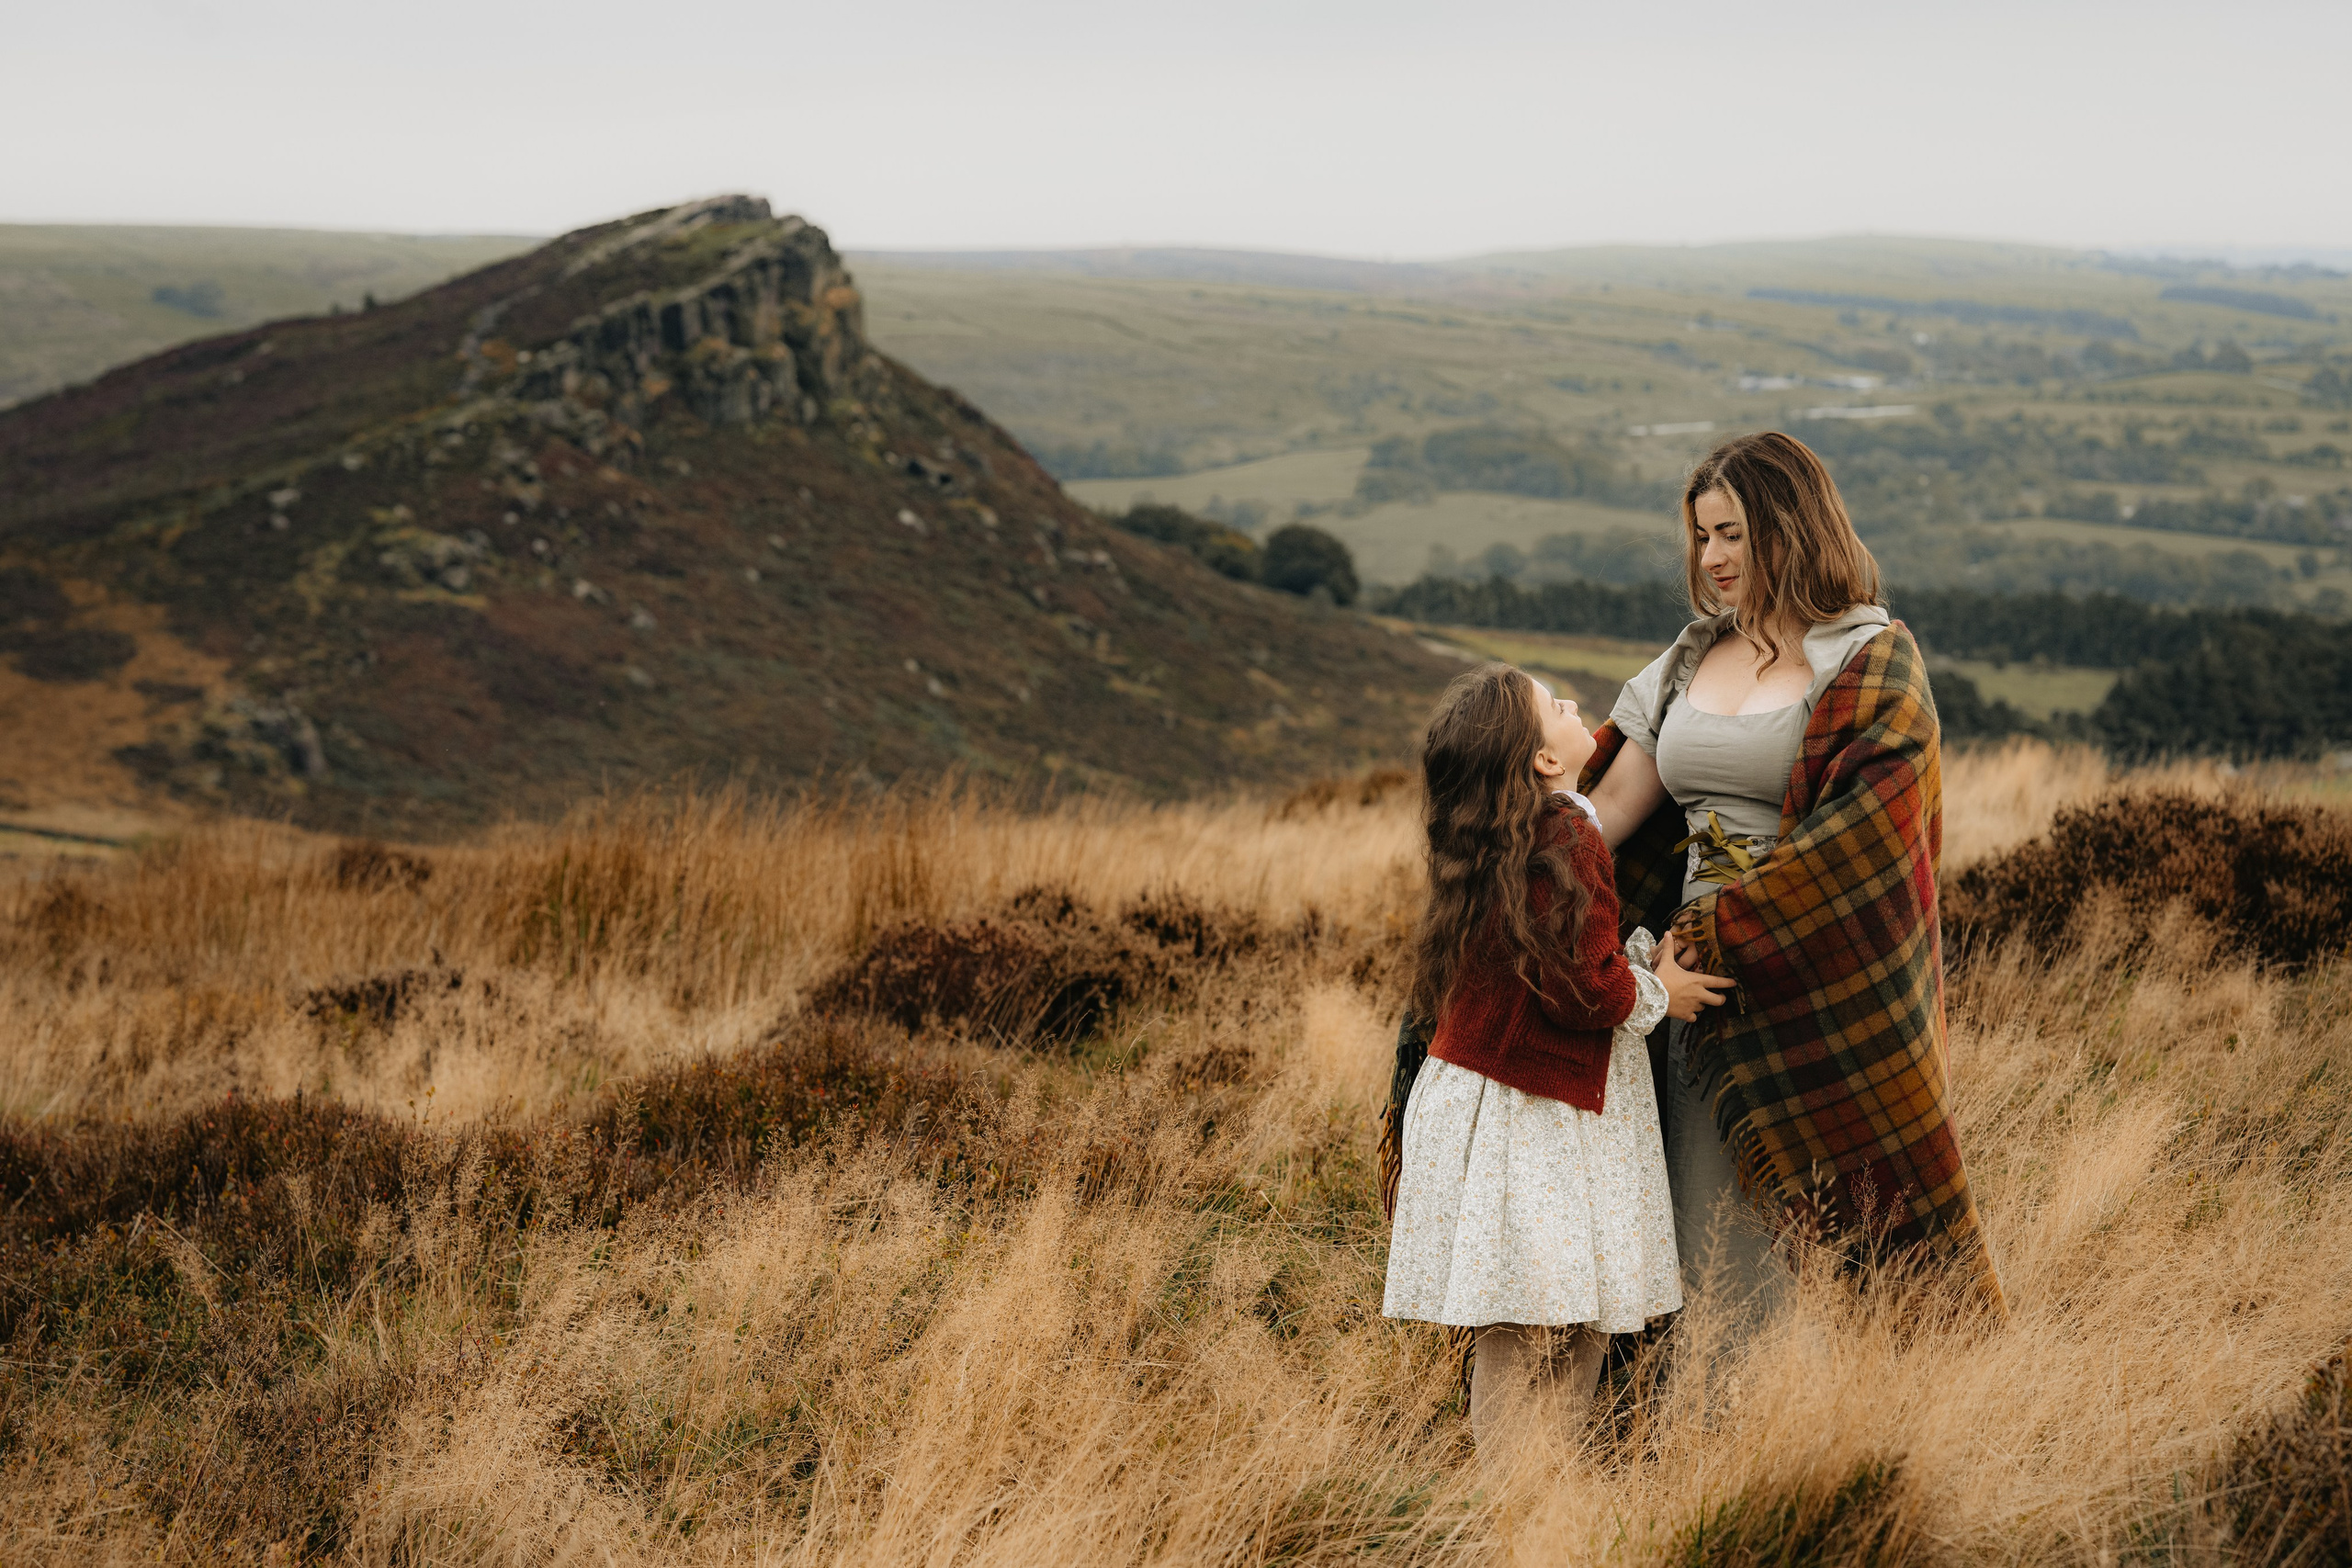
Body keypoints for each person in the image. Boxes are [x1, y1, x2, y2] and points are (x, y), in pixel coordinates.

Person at [1579, 430, 2006, 1325]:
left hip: (1801, 973)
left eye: (1732, 532)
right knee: (1681, 1225)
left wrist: (1707, 940)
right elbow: (1611, 806)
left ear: (1788, 523)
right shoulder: (1693, 655)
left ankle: (1788, 1439)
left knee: (1775, 1244)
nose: (1713, 556)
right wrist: (1510, 872)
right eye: (1702, 537)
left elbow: (1864, 841)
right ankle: (1670, 1442)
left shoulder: (1867, 657)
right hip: (1671, 982)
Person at [1380, 662, 1733, 1450]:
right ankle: (1513, 1512)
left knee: (1562, 1327)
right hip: (1534, 1117)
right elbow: (1576, 989)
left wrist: (1630, 961)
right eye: (1557, 706)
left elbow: (1555, 956)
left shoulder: (1506, 840)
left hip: (1500, 1102)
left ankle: (1541, 1501)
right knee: (1538, 1331)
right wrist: (1657, 993)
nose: (1576, 706)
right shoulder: (1565, 831)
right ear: (1543, 759)